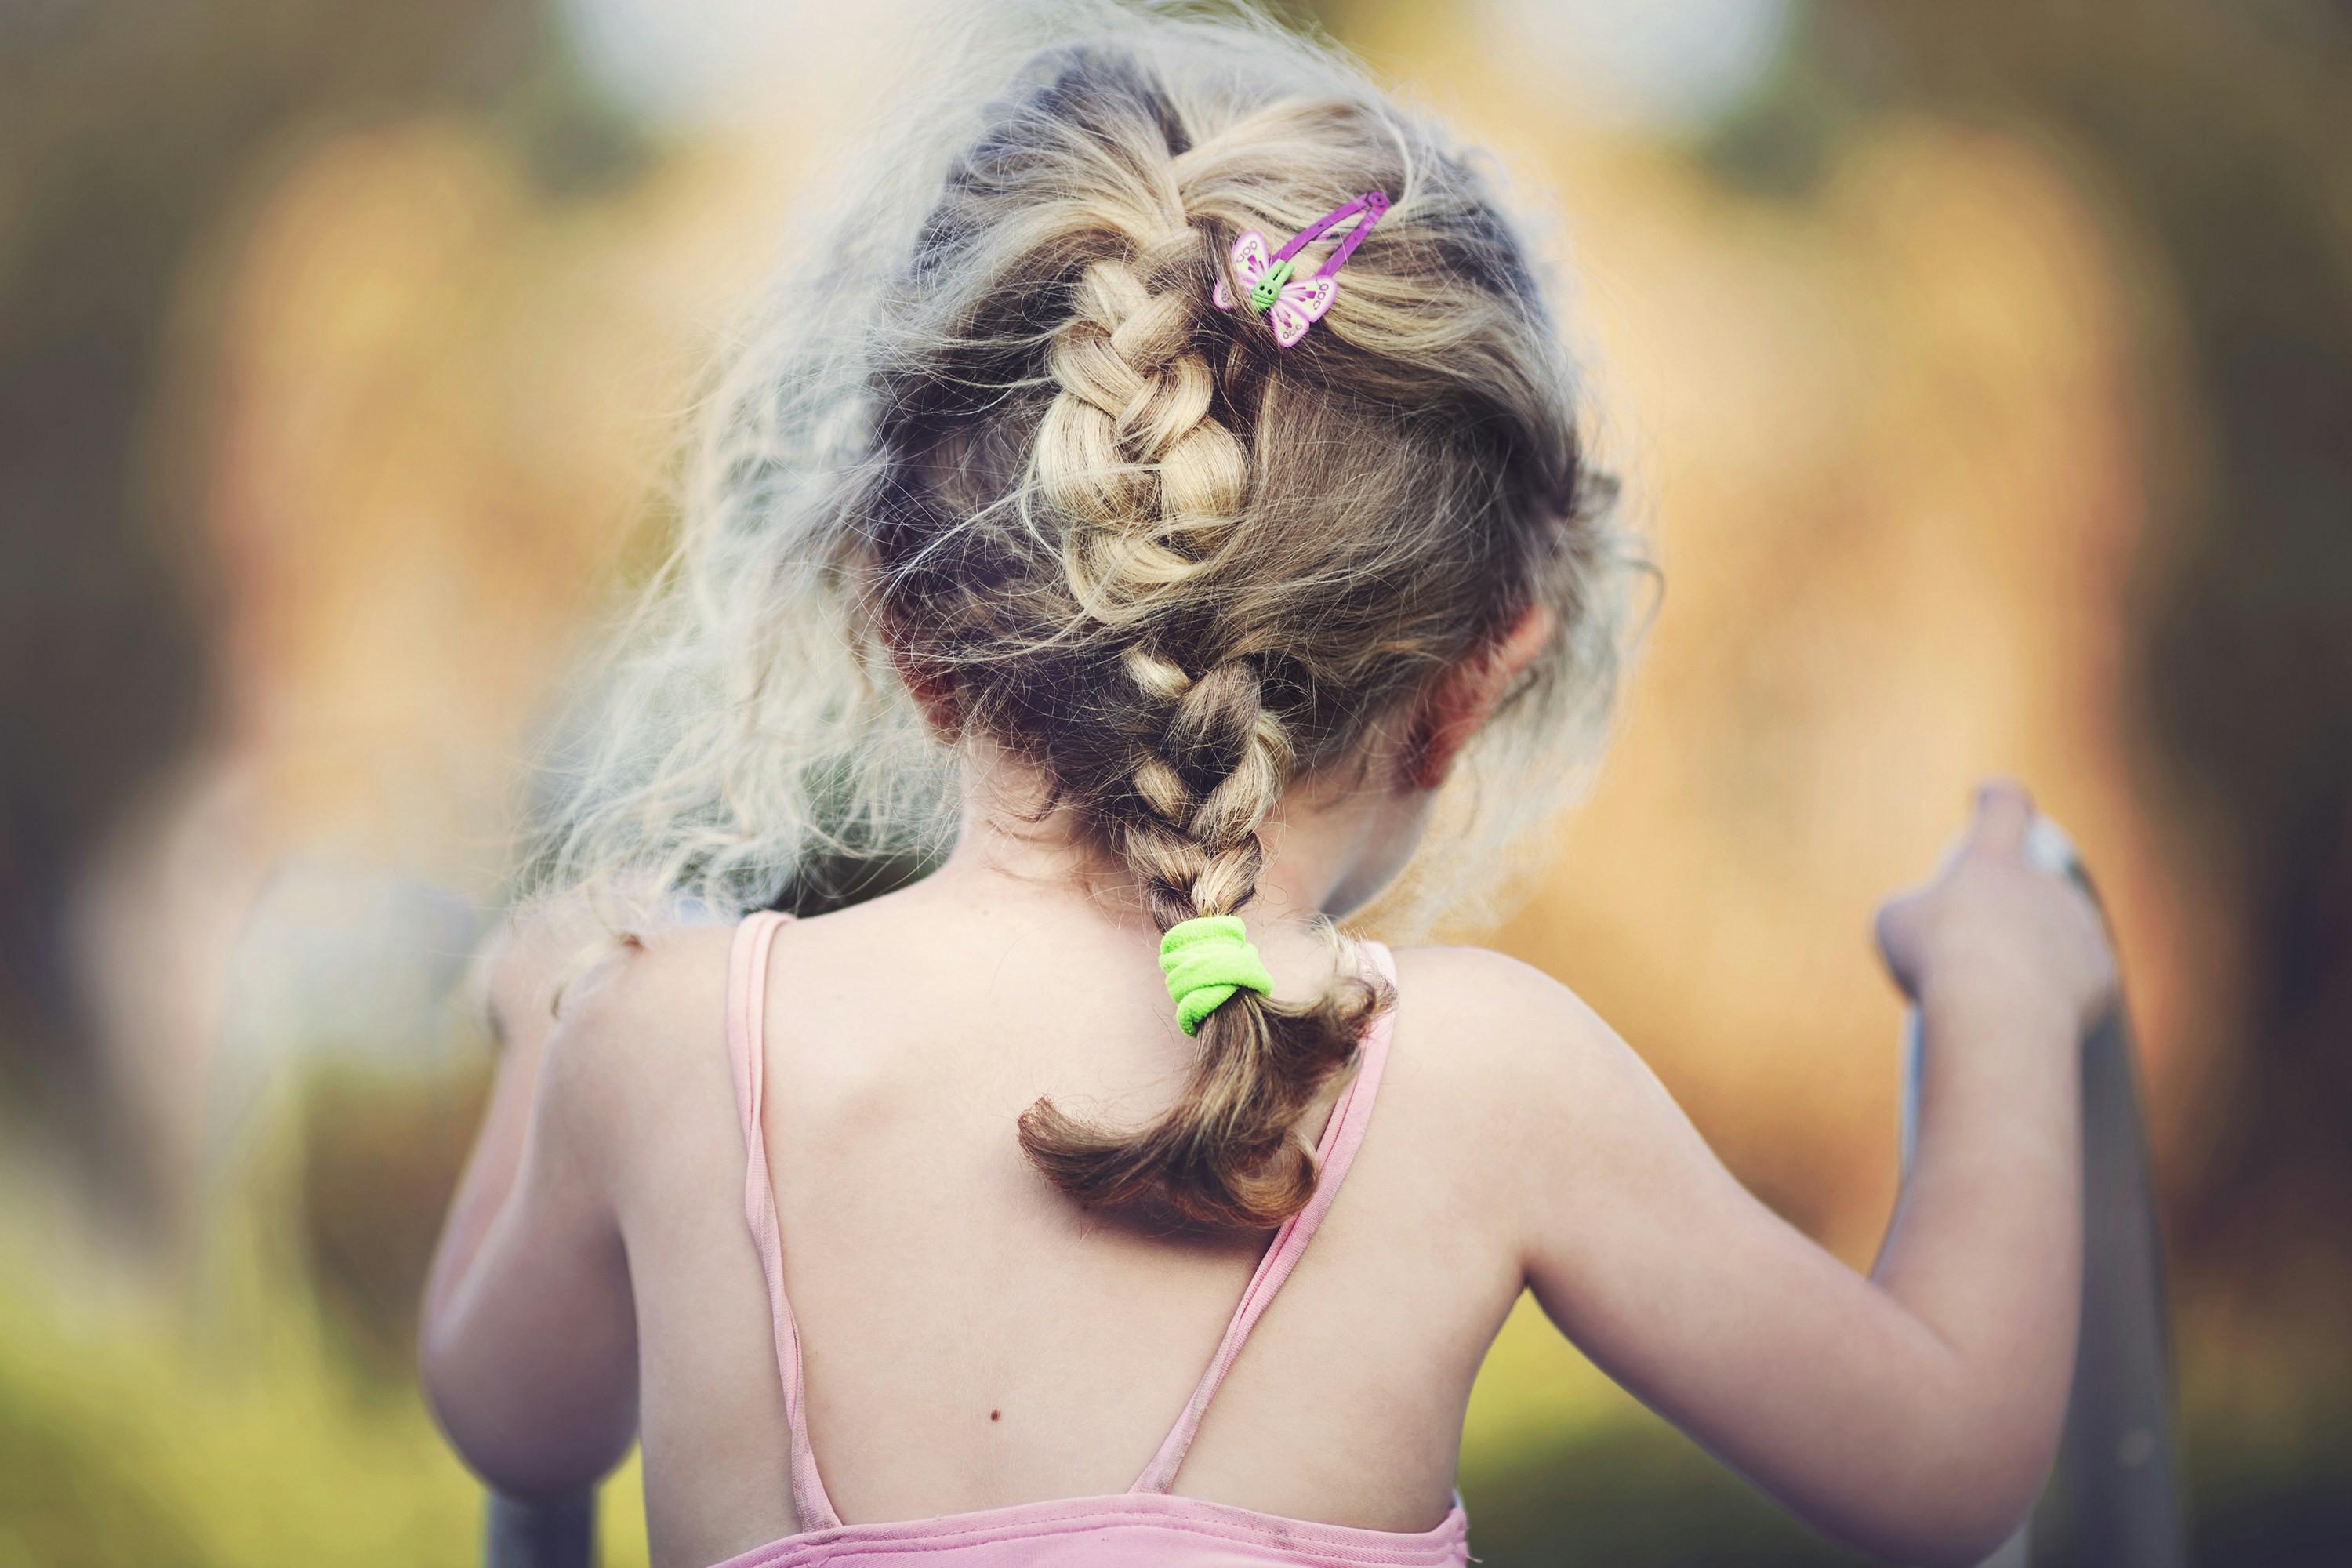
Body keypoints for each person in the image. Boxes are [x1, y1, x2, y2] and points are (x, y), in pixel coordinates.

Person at [420, 8, 2116, 1566]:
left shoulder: (670, 1052)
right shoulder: (1478, 1083)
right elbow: (1949, 1459)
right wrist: (2004, 998)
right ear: (1475, 680)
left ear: (901, 614)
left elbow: (517, 1415)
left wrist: (539, 1030)